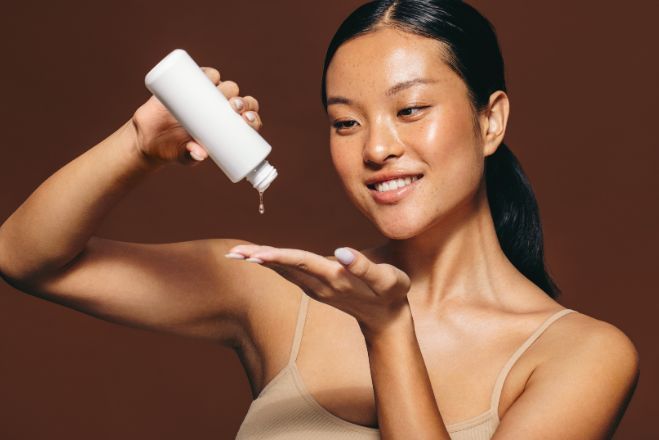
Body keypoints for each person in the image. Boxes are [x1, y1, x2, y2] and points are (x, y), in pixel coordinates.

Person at [0, 0, 639, 439]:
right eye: (345, 121)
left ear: (490, 119)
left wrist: (389, 331)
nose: (376, 147)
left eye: (410, 109)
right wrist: (138, 145)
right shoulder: (278, 294)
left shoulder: (577, 356)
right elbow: (26, 259)